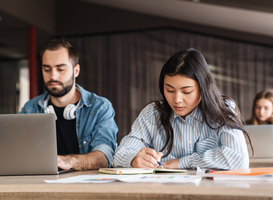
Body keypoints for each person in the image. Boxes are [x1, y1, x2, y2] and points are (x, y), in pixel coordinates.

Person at [113, 48, 251, 170]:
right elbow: (119, 155)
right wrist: (134, 160)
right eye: (169, 90)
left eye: (186, 92)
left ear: (203, 89)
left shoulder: (223, 109)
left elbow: (238, 159)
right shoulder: (152, 113)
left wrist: (182, 162)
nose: (177, 99)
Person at [20, 39, 118, 170]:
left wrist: (69, 161)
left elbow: (104, 157)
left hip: (86, 186)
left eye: (60, 69)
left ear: (76, 71)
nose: (53, 76)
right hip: (42, 184)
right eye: (47, 69)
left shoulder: (100, 107)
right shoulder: (30, 109)